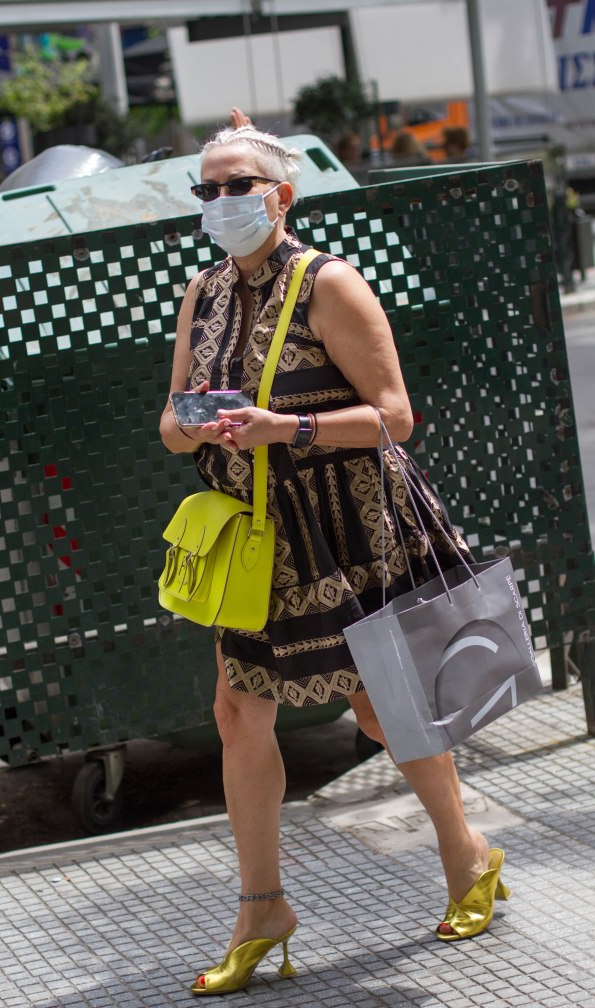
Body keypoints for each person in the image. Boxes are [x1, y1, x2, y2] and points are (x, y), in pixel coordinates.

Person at [159, 123, 510, 995]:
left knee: (382, 710)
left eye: (236, 185)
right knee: (237, 711)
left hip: (350, 527)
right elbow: (169, 421)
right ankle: (261, 909)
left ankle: (466, 853)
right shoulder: (202, 293)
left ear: (280, 196)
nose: (219, 202)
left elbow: (394, 416)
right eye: (206, 190)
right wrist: (198, 426)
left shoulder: (329, 282)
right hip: (254, 538)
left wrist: (287, 427)